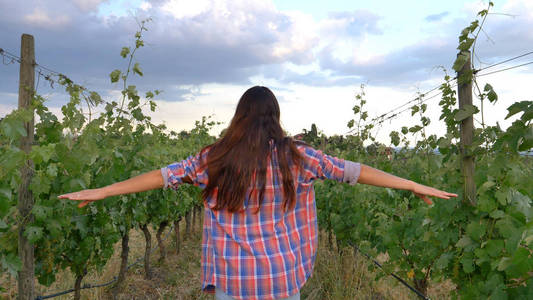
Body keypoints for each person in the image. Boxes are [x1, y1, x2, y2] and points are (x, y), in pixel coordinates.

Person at [59, 86, 457, 300]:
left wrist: (105, 190)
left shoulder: (214, 158)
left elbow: (164, 175)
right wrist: (411, 183)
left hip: (233, 279)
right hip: (282, 279)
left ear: (239, 116)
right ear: (275, 117)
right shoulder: (296, 157)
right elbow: (354, 172)